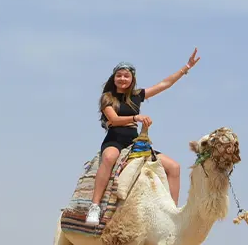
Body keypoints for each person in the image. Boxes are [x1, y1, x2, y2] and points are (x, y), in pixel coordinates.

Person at [84, 49, 200, 225]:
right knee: (108, 158)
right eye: (119, 75)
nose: (122, 79)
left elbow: (164, 84)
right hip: (115, 140)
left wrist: (186, 68)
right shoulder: (107, 97)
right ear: (114, 78)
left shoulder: (137, 96)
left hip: (135, 142)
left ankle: (170, 212)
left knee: (174, 167)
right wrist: (135, 118)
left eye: (126, 76)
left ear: (132, 79)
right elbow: (113, 119)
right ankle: (95, 206)